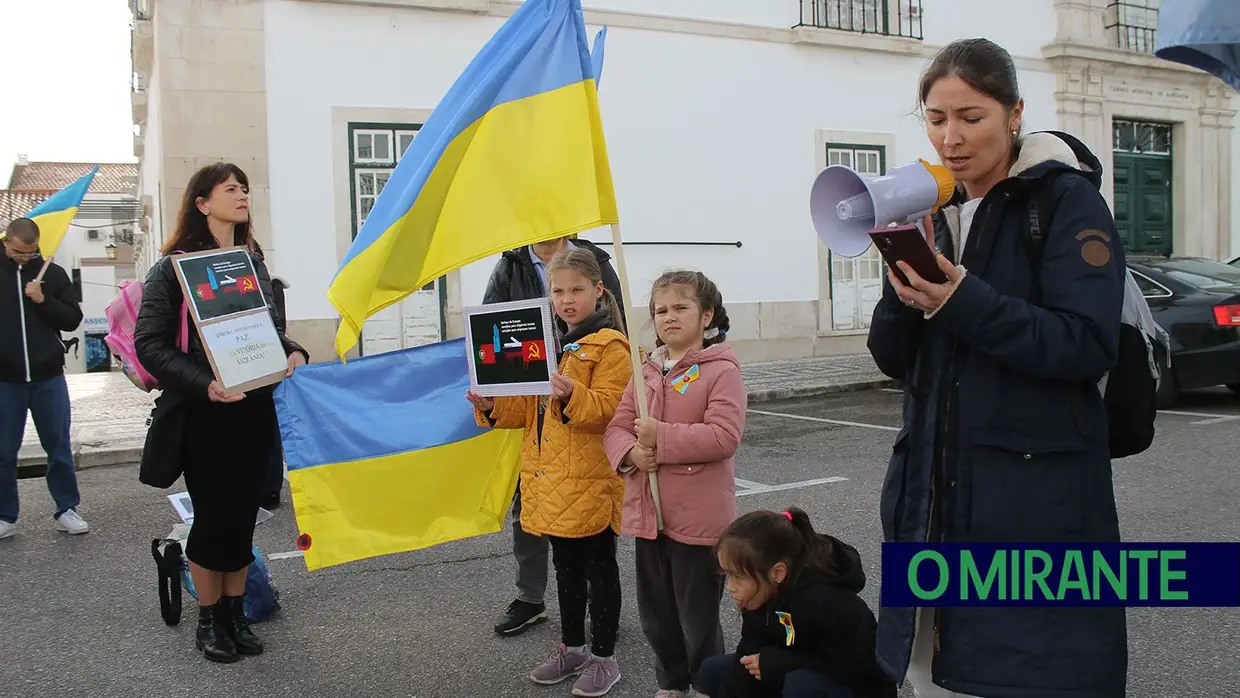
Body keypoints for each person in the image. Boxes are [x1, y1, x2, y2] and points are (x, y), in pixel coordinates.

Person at [867, 38, 1128, 697]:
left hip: (1031, 506)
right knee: (929, 676)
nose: (950, 137)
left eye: (970, 117)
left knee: (1025, 674)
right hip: (929, 506)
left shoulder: (1065, 204)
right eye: (935, 118)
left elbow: (1084, 344)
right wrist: (905, 295)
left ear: (1015, 115)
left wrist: (961, 299)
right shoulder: (931, 211)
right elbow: (893, 359)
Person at [135, 163, 309, 663]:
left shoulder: (252, 263)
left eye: (245, 188)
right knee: (212, 520)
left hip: (253, 410)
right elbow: (150, 345)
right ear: (202, 203)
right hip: (204, 411)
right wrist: (204, 384)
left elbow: (271, 332)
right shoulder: (172, 268)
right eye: (229, 188)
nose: (242, 194)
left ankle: (235, 613)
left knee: (241, 521)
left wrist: (293, 350)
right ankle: (209, 622)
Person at [467, 248, 629, 697]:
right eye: (558, 291)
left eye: (577, 290)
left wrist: (573, 392)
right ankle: (572, 647)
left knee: (601, 569)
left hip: (590, 478)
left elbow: (613, 410)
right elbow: (525, 409)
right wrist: (492, 404)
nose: (567, 300)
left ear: (598, 291)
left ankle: (605, 656)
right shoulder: (547, 342)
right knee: (566, 569)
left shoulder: (611, 346)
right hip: (549, 479)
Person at [604, 269, 745, 698]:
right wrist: (630, 453)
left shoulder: (720, 370)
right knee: (656, 614)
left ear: (706, 316)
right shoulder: (644, 370)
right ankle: (672, 682)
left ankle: (706, 684)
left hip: (698, 520)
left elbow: (723, 436)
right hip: (650, 517)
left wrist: (660, 439)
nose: (669, 317)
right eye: (661, 310)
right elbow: (617, 427)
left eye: (681, 307)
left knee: (696, 616)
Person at [696, 508, 897, 698]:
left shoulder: (823, 601)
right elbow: (748, 655)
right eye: (727, 575)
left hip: (859, 687)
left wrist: (779, 663)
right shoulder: (757, 595)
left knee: (800, 685)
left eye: (737, 577)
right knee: (713, 671)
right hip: (797, 669)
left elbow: (856, 665)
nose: (730, 587)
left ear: (777, 573)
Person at [0, 217, 88, 539]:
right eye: (19, 252)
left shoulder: (51, 272)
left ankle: (67, 508)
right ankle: (5, 515)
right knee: (4, 452)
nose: (25, 257)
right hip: (5, 380)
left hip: (48, 376)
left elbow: (72, 319)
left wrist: (42, 300)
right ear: (6, 242)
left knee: (58, 447)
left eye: (31, 251)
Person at [263, 275, 291, 510]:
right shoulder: (270, 283)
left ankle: (270, 489)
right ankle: (269, 489)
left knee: (269, 428)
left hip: (266, 358)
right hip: (267, 358)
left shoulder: (271, 284)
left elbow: (278, 324)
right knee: (269, 428)